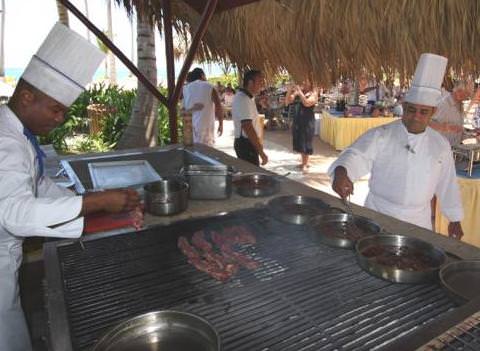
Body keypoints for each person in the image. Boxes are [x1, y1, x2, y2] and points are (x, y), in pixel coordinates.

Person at [0, 23, 141, 351]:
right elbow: (13, 212)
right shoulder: (5, 142)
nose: (61, 119)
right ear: (26, 97)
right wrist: (95, 204)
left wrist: (93, 201)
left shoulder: (18, 134)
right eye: (55, 108)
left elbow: (40, 185)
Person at [328, 53, 464, 239]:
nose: (416, 116)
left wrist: (455, 219)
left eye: (423, 112)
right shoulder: (382, 134)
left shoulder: (440, 145)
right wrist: (342, 172)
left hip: (418, 222)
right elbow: (356, 155)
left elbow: (447, 183)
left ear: (432, 112)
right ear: (404, 107)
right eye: (411, 110)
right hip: (378, 215)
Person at [232, 69, 268, 166]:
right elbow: (247, 127)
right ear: (250, 83)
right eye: (260, 82)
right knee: (250, 177)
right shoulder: (242, 99)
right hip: (245, 144)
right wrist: (261, 152)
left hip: (247, 143)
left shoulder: (247, 97)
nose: (262, 85)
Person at [182, 68, 223, 146]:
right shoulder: (209, 86)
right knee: (206, 153)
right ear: (202, 75)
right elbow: (218, 106)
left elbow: (183, 110)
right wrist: (221, 124)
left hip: (191, 129)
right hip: (206, 128)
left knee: (194, 153)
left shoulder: (185, 88)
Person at [285, 80, 318, 170]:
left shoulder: (313, 93)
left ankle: (305, 164)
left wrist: (299, 93)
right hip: (298, 118)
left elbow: (307, 103)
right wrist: (289, 90)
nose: (303, 83)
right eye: (302, 81)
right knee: (299, 140)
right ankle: (303, 162)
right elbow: (287, 101)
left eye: (305, 81)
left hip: (307, 120)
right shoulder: (299, 92)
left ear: (310, 83)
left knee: (306, 140)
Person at [429, 81, 472, 146]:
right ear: (456, 90)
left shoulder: (460, 105)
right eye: (466, 94)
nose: (465, 96)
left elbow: (458, 131)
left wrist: (472, 134)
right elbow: (427, 123)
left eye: (467, 94)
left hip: (453, 149)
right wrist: (444, 127)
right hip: (440, 148)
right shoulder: (444, 104)